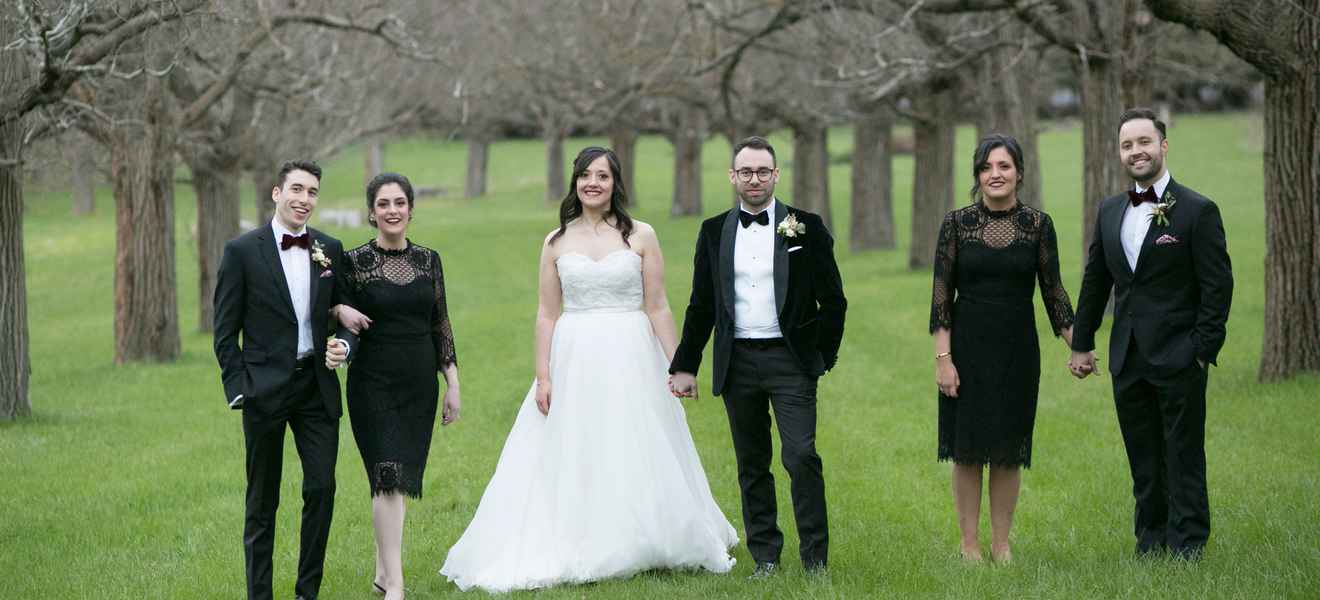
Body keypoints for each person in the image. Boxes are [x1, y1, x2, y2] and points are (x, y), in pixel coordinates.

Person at [439, 147, 736, 592]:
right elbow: (545, 313)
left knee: (636, 441)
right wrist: (543, 375)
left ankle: (647, 533)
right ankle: (578, 532)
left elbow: (657, 306)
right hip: (575, 354)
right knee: (579, 442)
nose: (592, 183)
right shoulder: (556, 241)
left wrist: (681, 366)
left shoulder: (642, 235)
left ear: (616, 183)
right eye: (584, 175)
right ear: (574, 181)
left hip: (631, 351)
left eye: (602, 175)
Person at [669, 136, 847, 577]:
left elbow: (834, 300)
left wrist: (821, 356)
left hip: (791, 362)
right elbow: (702, 304)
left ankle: (815, 559)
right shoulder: (713, 231)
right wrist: (686, 364)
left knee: (801, 455)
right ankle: (765, 556)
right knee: (751, 464)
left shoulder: (806, 225)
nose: (754, 179)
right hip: (739, 362)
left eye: (762, 171)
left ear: (776, 175)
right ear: (733, 176)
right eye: (745, 172)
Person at [1069, 108, 1233, 560]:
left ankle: (1188, 543)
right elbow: (1095, 281)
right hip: (1128, 356)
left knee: (1182, 453)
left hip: (1180, 354)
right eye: (1127, 145)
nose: (1136, 151)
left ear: (1163, 145)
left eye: (1144, 142)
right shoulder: (1109, 211)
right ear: (1119, 153)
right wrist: (1082, 343)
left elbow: (1218, 287)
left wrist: (1202, 350)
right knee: (1143, 456)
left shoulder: (1197, 210)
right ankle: (1151, 540)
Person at [928, 134, 1076, 564]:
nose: (996, 174)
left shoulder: (1038, 225)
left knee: (1009, 450)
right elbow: (941, 296)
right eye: (987, 167)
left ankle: (1002, 544)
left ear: (1019, 173)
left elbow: (1054, 293)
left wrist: (1079, 347)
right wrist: (944, 360)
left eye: (1004, 166)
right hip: (967, 348)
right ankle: (970, 544)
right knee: (969, 449)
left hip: (1017, 350)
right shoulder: (956, 224)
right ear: (978, 175)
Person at [213, 160, 353, 600]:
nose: (304, 199)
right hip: (263, 391)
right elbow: (224, 331)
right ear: (276, 193)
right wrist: (238, 389)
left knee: (322, 488)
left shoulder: (330, 249)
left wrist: (345, 345)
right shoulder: (242, 252)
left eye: (312, 192)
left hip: (316, 387)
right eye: (296, 189)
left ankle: (306, 592)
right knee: (262, 503)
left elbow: (345, 315)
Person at [332, 172, 460, 599]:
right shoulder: (353, 263)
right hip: (372, 384)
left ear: (410, 209)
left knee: (399, 479)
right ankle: (397, 586)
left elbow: (440, 324)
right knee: (385, 475)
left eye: (399, 203)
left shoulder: (429, 260)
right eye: (383, 203)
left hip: (418, 385)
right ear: (372, 211)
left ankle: (382, 571)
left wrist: (452, 383)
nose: (392, 211)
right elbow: (339, 316)